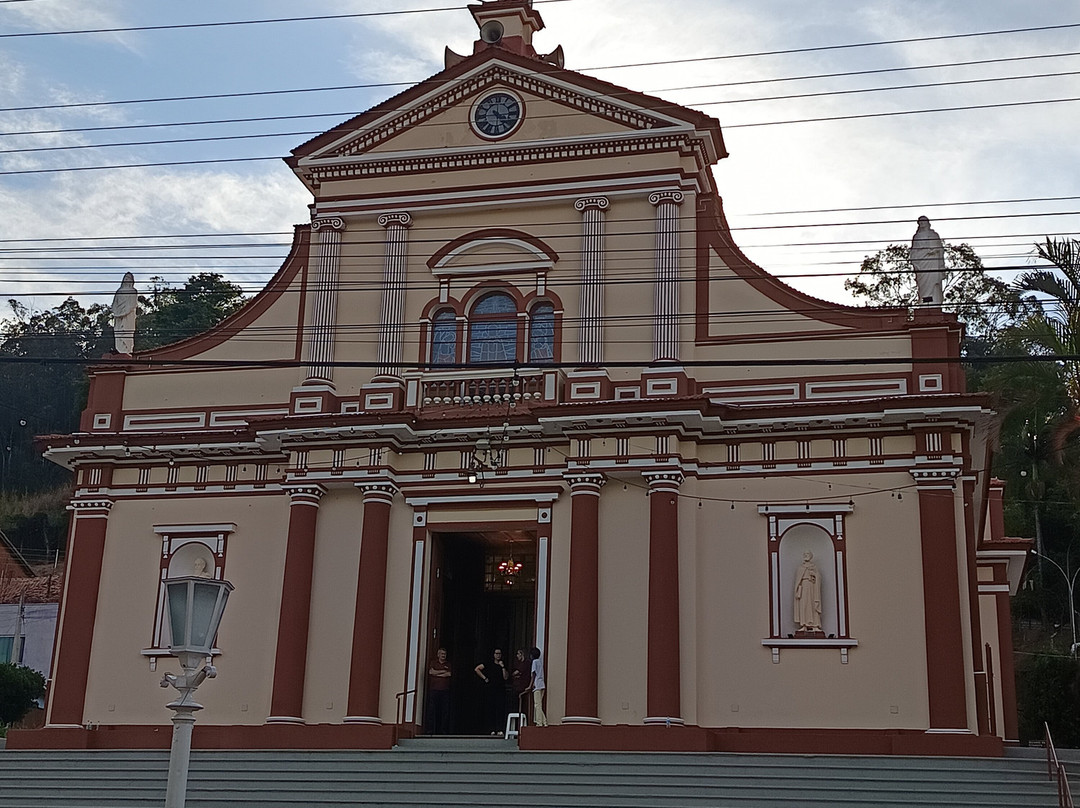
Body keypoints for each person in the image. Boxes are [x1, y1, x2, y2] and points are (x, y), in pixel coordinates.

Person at [911, 216, 946, 305]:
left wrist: (936, 250)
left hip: (933, 261)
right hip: (922, 262)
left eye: (924, 221)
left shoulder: (934, 235)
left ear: (928, 223)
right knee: (923, 285)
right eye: (920, 222)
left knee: (934, 282)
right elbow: (913, 251)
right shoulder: (917, 236)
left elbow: (940, 249)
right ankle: (924, 302)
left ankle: (934, 301)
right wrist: (916, 263)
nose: (922, 223)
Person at [474, 648, 509, 734]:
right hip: (490, 689)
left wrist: (503, 667)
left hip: (500, 689)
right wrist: (484, 678)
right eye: (496, 653)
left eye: (499, 654)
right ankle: (491, 729)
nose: (498, 655)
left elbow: (506, 677)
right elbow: (477, 669)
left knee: (500, 709)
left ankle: (500, 729)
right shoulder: (488, 664)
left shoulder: (503, 664)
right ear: (493, 655)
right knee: (491, 709)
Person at [793, 551, 823, 633]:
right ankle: (804, 624)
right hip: (803, 587)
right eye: (804, 554)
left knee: (813, 605)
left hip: (812, 587)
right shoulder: (801, 567)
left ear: (810, 556)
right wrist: (797, 590)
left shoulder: (814, 567)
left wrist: (814, 574)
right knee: (803, 605)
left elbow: (818, 577)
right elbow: (798, 580)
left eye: (807, 554)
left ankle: (815, 625)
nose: (806, 556)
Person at [426, 647, 452, 735]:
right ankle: (431, 730)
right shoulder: (433, 663)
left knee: (444, 711)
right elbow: (431, 672)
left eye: (444, 654)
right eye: (442, 654)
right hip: (434, 690)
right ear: (438, 655)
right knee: (432, 711)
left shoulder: (448, 664)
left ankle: (443, 731)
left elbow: (449, 674)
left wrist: (436, 673)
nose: (443, 656)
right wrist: (442, 672)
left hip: (445, 690)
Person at [111, 272, 138, 354]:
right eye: (125, 277)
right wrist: (117, 312)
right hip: (118, 315)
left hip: (128, 315)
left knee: (126, 332)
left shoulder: (133, 291)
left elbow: (133, 304)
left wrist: (125, 311)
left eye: (129, 278)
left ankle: (127, 350)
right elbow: (114, 304)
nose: (127, 279)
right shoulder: (119, 291)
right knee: (118, 332)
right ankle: (119, 350)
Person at [526, 646, 547, 727]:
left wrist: (530, 685)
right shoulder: (539, 662)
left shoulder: (534, 662)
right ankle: (544, 722)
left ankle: (539, 722)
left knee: (537, 705)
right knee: (539, 704)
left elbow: (533, 675)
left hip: (537, 685)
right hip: (542, 684)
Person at [510, 648, 531, 719]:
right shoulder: (518, 663)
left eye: (518, 654)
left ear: (522, 654)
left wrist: (515, 674)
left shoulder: (526, 663)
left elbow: (516, 672)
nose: (517, 656)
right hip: (517, 687)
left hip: (523, 687)